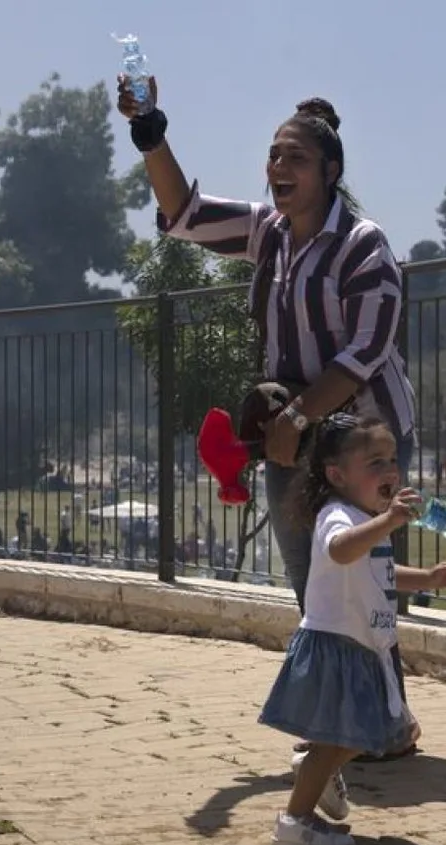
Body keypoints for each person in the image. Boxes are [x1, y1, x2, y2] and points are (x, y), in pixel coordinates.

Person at [116, 75, 420, 759]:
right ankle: (347, 719)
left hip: (366, 432)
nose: (278, 168)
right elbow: (185, 213)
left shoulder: (365, 246)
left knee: (365, 574)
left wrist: (299, 416)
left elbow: (364, 351)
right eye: (274, 156)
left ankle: (389, 721)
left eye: (296, 159)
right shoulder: (268, 232)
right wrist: (151, 131)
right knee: (313, 582)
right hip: (297, 432)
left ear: (330, 173)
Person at [258, 414, 446, 845]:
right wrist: (389, 520)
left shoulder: (369, 517)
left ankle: (318, 769)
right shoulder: (339, 515)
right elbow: (341, 549)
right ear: (337, 475)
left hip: (365, 646)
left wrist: (427, 577)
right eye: (374, 462)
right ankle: (295, 820)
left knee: (376, 733)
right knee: (346, 735)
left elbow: (381, 571)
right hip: (337, 645)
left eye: (392, 460)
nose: (390, 471)